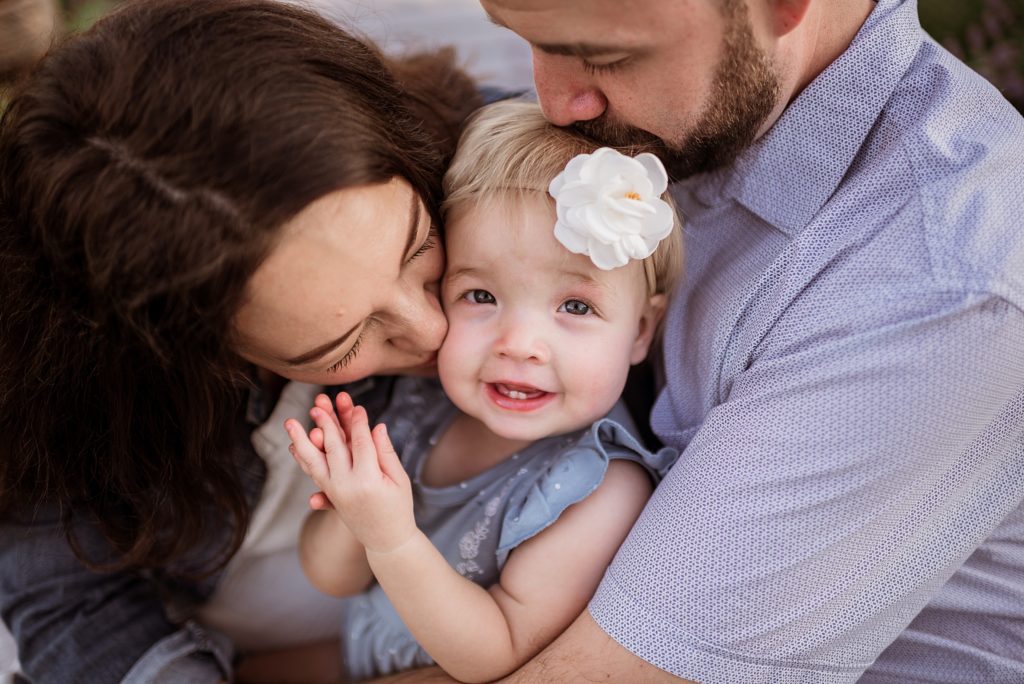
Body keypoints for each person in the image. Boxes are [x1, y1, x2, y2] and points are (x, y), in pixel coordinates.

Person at [370, 0, 1024, 682]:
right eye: (523, 41)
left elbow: (596, 674)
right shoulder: (650, 120)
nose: (558, 102)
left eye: (605, 56)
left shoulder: (944, 283)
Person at [0, 0, 482, 680]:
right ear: (199, 356)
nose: (431, 329)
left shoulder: (511, 170)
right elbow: (74, 610)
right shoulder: (57, 397)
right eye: (339, 347)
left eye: (419, 246)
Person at [288, 100, 682, 682]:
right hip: (357, 653)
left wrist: (392, 537)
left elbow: (496, 652)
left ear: (640, 332)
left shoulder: (597, 491)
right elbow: (330, 578)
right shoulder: (421, 407)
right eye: (481, 296)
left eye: (575, 306)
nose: (519, 343)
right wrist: (356, 512)